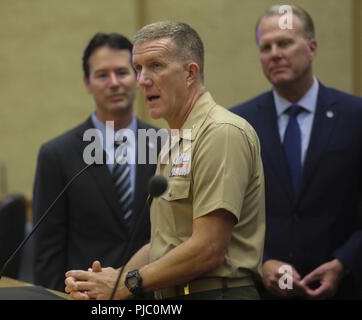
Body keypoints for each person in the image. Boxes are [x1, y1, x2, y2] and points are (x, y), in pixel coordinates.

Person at [65, 21, 265, 300]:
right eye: (138, 69)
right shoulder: (175, 141)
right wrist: (113, 281)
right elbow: (164, 243)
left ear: (190, 73)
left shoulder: (221, 132)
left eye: (156, 66)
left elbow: (209, 248)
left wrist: (125, 284)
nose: (142, 80)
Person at [232, 5, 362, 299]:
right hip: (262, 291)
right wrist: (260, 263)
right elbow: (228, 217)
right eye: (266, 47)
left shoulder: (355, 117)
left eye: (285, 42)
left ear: (312, 47)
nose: (275, 53)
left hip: (344, 287)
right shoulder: (239, 125)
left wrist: (344, 263)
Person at [32, 33, 157, 291]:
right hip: (85, 296)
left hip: (152, 294)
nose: (114, 83)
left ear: (137, 78)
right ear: (87, 83)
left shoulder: (164, 145)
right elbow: (47, 251)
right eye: (102, 75)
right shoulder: (57, 154)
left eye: (122, 72)